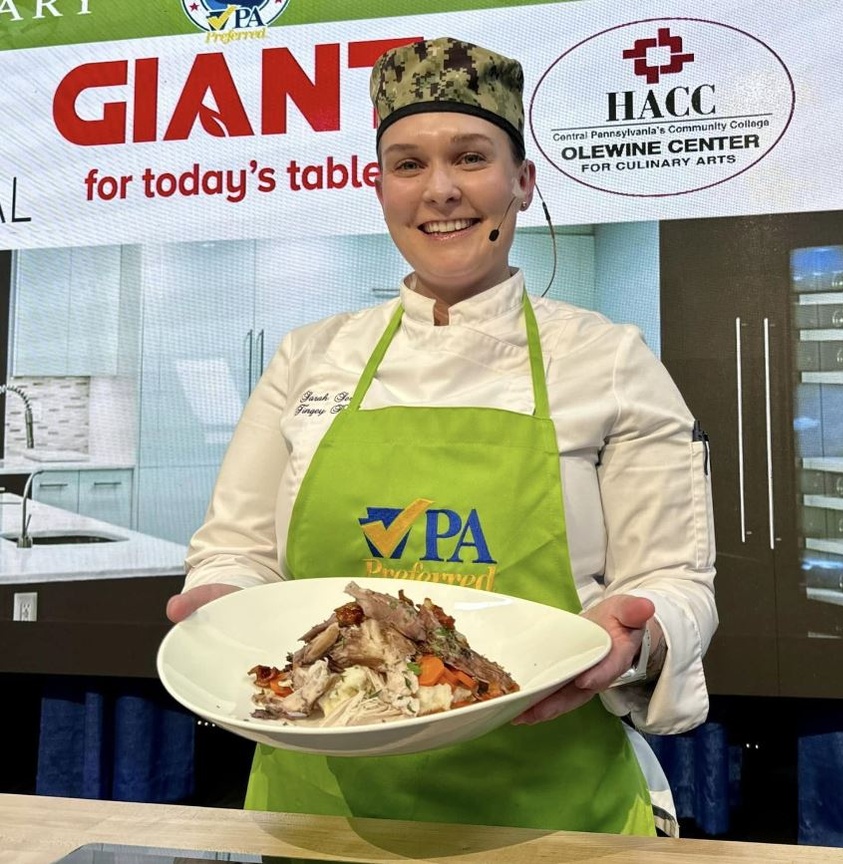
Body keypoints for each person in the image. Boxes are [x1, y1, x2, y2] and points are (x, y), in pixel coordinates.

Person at [166, 37, 717, 837]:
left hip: (547, 804)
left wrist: (638, 636)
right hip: (318, 804)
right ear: (378, 184)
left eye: (470, 157)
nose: (441, 191)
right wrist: (223, 607)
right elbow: (236, 550)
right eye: (408, 164)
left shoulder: (610, 360)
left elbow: (677, 582)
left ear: (523, 182)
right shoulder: (310, 358)